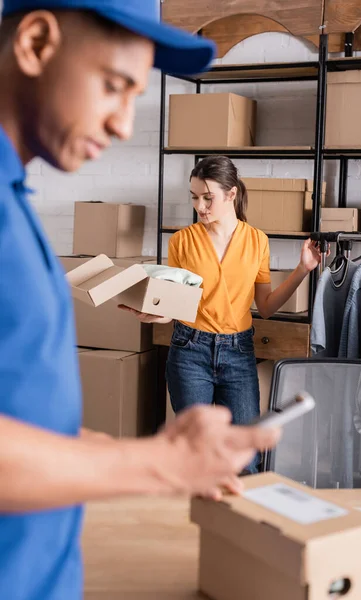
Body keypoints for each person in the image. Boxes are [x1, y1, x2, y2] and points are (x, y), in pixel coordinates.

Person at [0, 3, 281, 600]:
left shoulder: (15, 204)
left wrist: (156, 450)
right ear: (36, 43)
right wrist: (157, 467)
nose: (126, 125)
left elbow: (27, 423)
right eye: (113, 85)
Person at [127, 155, 322, 472]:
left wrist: (303, 269)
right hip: (190, 351)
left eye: (208, 197)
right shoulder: (182, 241)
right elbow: (178, 304)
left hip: (238, 352)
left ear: (231, 194)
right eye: (194, 197)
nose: (200, 206)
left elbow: (267, 307)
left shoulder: (256, 240)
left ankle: (243, 520)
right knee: (198, 453)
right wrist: (155, 315)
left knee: (247, 457)